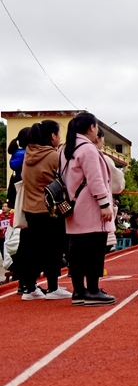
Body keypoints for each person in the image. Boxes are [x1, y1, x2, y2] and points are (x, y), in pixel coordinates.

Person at [60, 112, 116, 306]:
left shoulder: (66, 148)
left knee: (76, 251)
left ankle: (78, 291)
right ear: (92, 127)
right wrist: (104, 204)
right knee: (94, 250)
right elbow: (95, 179)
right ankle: (92, 290)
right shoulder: (88, 149)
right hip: (90, 208)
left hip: (72, 207)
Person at [19, 120, 71, 300]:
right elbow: (67, 178)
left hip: (30, 209)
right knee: (54, 248)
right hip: (51, 210)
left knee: (33, 249)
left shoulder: (28, 155)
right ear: (52, 137)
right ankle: (53, 287)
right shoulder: (53, 156)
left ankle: (30, 288)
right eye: (58, 134)